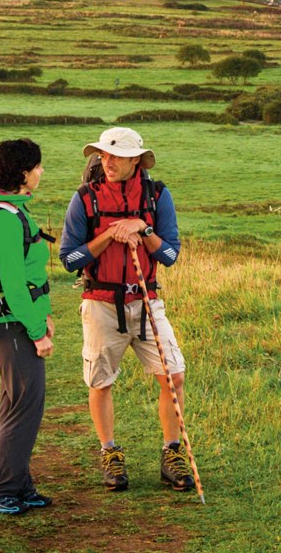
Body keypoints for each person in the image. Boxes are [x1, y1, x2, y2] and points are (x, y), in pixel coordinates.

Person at [58, 127, 192, 492]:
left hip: (147, 300)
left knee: (173, 376)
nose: (107, 161)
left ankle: (171, 452)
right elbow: (69, 260)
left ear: (136, 160)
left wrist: (142, 228)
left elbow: (169, 255)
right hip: (100, 303)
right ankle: (110, 453)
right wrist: (109, 235)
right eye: (103, 155)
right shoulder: (85, 199)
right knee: (100, 381)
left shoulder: (158, 196)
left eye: (116, 155)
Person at [0, 138, 55, 515]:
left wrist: (45, 313)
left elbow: (29, 275)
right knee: (25, 406)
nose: (41, 172)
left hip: (15, 323)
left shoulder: (10, 210)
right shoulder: (4, 220)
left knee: (17, 404)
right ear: (23, 173)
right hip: (12, 327)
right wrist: (37, 332)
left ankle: (18, 484)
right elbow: (14, 286)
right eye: (37, 166)